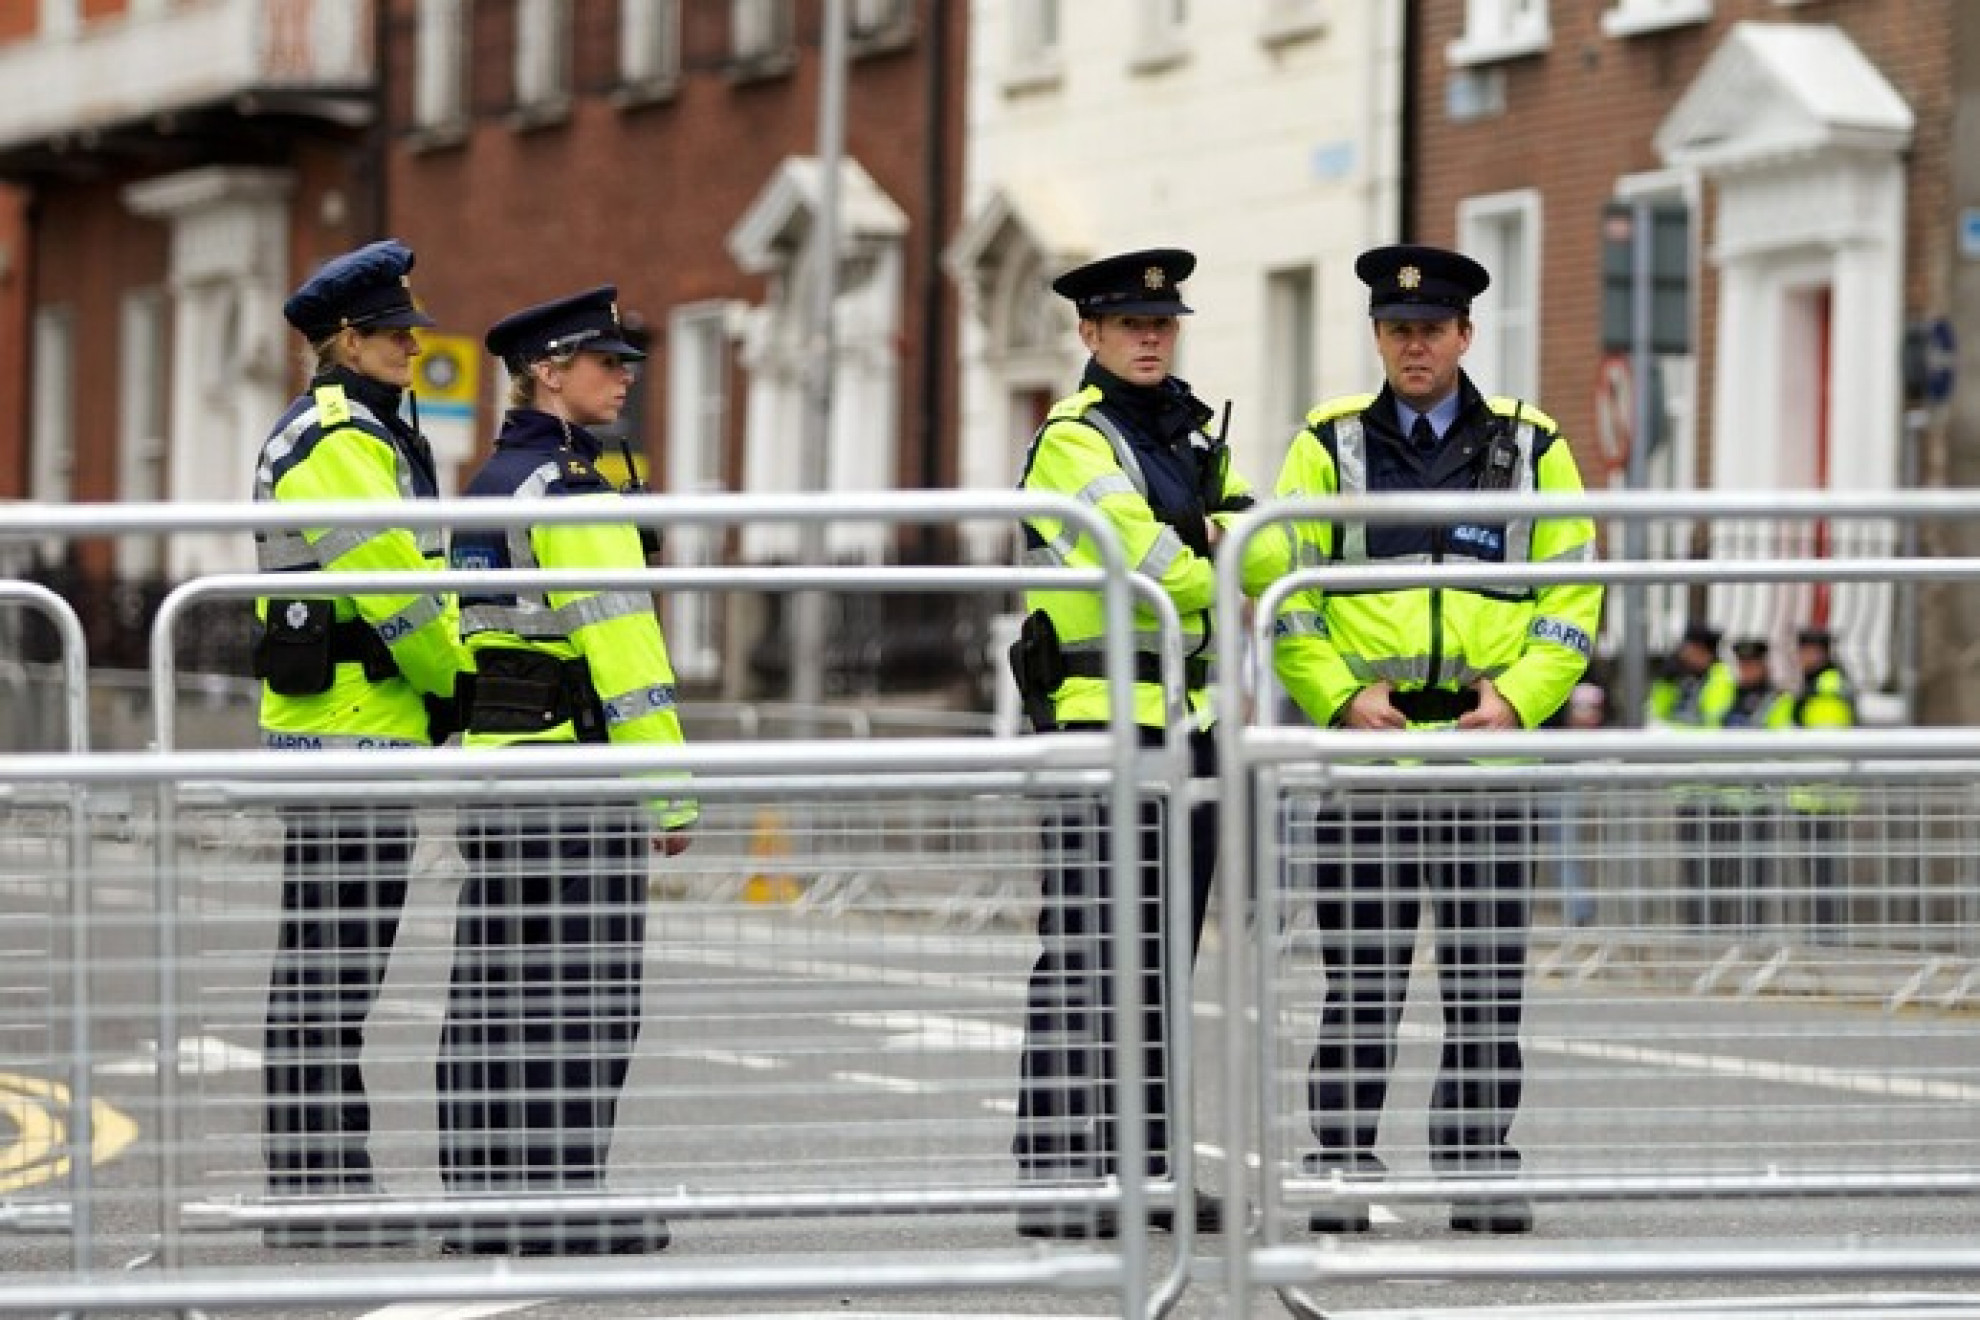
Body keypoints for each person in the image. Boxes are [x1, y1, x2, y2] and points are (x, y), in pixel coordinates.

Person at [1241, 243, 1602, 1236]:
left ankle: (1480, 1162)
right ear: (1378, 338)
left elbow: (1574, 588)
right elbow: (1286, 590)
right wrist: (1337, 699)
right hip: (1370, 753)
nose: (1415, 347)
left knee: (1485, 981)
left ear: (1465, 336)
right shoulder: (1328, 443)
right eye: (1399, 332)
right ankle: (1342, 1160)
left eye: (1432, 330)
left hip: (1487, 751)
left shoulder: (1532, 443)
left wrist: (1522, 701)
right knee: (1360, 979)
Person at [438, 286, 695, 1256]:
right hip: (579, 779)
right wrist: (668, 791)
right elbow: (625, 653)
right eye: (607, 359)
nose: (625, 374)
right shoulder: (572, 491)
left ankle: (478, 1201)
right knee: (587, 993)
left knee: (492, 988)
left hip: (499, 768)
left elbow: (474, 641)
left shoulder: (491, 485)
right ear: (549, 369)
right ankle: (562, 1199)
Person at [1008, 247, 1252, 1240]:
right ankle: (1061, 1172)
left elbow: (1260, 543)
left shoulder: (1189, 433)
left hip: (1183, 725)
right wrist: (1209, 547)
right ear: (1091, 335)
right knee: (1087, 951)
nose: (1152, 338)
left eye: (1163, 324)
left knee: (1158, 960)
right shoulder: (1072, 438)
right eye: (1131, 325)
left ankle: (1146, 1168)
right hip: (1098, 724)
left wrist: (1206, 541)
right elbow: (1147, 563)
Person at [251, 239, 469, 1246]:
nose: (408, 351)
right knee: (331, 975)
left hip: (350, 731)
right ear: (345, 341)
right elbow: (398, 588)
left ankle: (327, 1188)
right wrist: (459, 681)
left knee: (330, 972)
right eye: (390, 337)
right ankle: (317, 1197)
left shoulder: (362, 428)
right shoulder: (340, 435)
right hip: (353, 735)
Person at [1646, 622, 1733, 927]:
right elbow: (1657, 712)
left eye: (1690, 649)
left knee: (1719, 862)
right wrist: (1665, 683)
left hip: (1717, 788)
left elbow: (1708, 728)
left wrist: (1670, 732)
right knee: (1694, 859)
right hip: (1689, 786)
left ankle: (1717, 923)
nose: (1684, 654)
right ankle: (1699, 922)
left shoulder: (1720, 679)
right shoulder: (1684, 679)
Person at [1703, 639, 1792, 928]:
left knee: (1753, 873)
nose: (1746, 670)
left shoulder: (1776, 698)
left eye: (1751, 664)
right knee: (1717, 872)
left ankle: (1751, 931)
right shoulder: (1726, 691)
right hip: (1722, 798)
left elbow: (1780, 743)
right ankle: (1718, 930)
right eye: (1742, 664)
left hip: (1756, 799)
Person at [1787, 626, 1858, 939]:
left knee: (1824, 873)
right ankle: (1822, 932)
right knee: (1820, 872)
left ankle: (1826, 935)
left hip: (1823, 796)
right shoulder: (1818, 684)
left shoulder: (1826, 686)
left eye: (1807, 651)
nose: (1802, 657)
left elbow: (1825, 737)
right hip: (1816, 795)